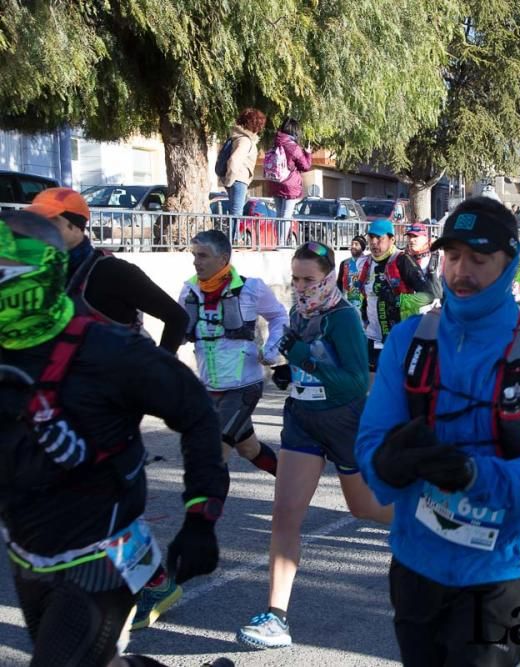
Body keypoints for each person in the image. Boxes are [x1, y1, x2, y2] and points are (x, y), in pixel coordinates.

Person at [354, 197, 520, 666]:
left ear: (510, 264)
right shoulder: (410, 340)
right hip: (418, 561)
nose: (462, 271)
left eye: (479, 259)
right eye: (453, 256)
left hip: (508, 568)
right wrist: (387, 464)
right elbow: (371, 442)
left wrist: (473, 475)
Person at [0, 211, 230, 667]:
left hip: (103, 552)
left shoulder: (107, 349)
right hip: (28, 552)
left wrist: (201, 514)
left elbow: (197, 411)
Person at [237, 242, 392, 650]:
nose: (301, 287)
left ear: (327, 278)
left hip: (344, 422)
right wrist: (290, 373)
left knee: (364, 508)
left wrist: (301, 356)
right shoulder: (297, 312)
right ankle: (276, 616)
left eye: (309, 279)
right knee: (284, 515)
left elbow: (356, 382)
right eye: (296, 279)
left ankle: (427, 526)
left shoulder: (342, 318)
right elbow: (308, 365)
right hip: (302, 422)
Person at [25, 187, 189, 353]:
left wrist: (160, 367)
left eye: (50, 222)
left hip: (119, 375)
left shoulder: (112, 272)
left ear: (75, 226)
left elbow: (177, 317)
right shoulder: (36, 273)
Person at [178, 230, 287, 476]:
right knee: (249, 449)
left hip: (243, 387)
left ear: (224, 258)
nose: (197, 262)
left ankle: (205, 515)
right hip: (209, 387)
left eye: (203, 256)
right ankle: (292, 486)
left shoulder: (252, 288)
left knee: (214, 454)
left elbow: (279, 316)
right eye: (195, 255)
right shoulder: (189, 291)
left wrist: (272, 350)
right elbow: (176, 328)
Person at [359, 218, 433, 374]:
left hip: (398, 337)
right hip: (372, 338)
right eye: (371, 237)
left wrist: (398, 300)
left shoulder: (402, 260)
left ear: (391, 239)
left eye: (379, 238)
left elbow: (429, 294)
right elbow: (366, 296)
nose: (374, 242)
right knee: (374, 387)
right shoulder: (367, 263)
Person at [221, 108, 266, 242]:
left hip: (236, 179)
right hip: (238, 179)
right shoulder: (245, 141)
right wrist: (230, 180)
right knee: (236, 211)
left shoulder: (238, 138)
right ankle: (234, 240)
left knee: (236, 210)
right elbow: (234, 160)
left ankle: (234, 238)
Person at [268, 117, 313, 245]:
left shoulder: (275, 143)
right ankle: (282, 244)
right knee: (286, 215)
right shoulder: (293, 147)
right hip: (289, 185)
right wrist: (308, 153)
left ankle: (278, 242)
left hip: (275, 182)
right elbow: (305, 166)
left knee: (279, 214)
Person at [403, 222, 443, 304]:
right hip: (410, 311)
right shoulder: (403, 259)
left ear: (425, 237)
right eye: (409, 236)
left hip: (433, 312)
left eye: (415, 236)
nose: (411, 240)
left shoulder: (438, 257)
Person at [337, 235, 367, 311]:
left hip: (365, 305)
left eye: (356, 244)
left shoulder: (368, 262)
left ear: (362, 247)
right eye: (352, 244)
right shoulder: (344, 263)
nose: (353, 246)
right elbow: (339, 283)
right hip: (348, 305)